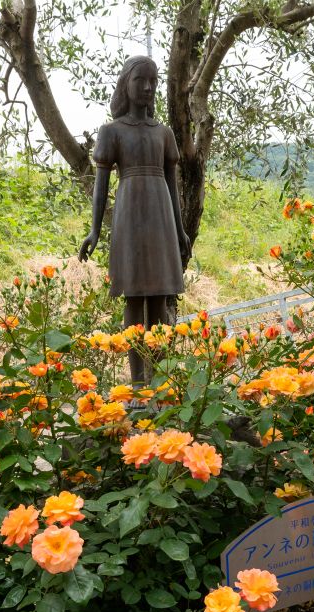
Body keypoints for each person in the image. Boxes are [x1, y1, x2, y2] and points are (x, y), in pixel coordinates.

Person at [79, 56, 191, 386]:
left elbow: (173, 187)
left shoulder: (164, 134)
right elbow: (100, 187)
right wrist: (95, 229)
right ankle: (138, 381)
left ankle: (160, 379)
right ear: (126, 84)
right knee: (133, 296)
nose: (147, 87)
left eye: (153, 81)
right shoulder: (112, 132)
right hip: (129, 217)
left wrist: (181, 229)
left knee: (159, 296)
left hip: (161, 220)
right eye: (140, 80)